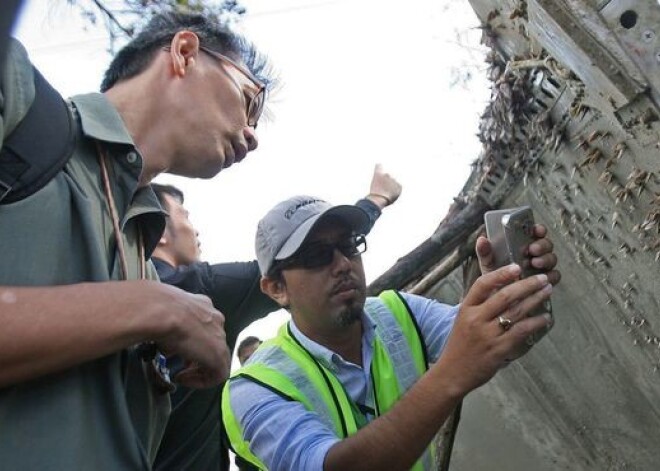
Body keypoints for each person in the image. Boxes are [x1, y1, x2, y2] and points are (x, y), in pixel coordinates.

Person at [0, 11, 276, 470]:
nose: (252, 135)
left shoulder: (140, 259)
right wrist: (156, 308)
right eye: (250, 101)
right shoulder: (18, 99)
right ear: (185, 53)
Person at [222, 195, 560, 470]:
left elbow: (491, 343)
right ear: (277, 288)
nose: (342, 264)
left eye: (349, 245)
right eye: (316, 255)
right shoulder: (254, 388)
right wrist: (453, 372)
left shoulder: (397, 312)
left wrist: (506, 295)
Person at [149, 163, 402, 471]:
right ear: (160, 232)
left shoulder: (120, 303)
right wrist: (375, 200)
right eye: (184, 216)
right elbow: (294, 265)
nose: (195, 229)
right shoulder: (198, 292)